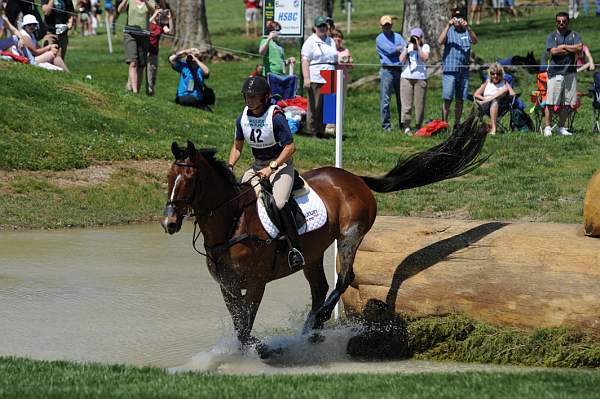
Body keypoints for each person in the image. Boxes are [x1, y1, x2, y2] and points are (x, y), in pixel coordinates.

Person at [227, 76, 305, 269]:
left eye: (254, 96)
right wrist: (229, 166)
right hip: (256, 166)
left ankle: (295, 249)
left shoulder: (276, 117)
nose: (250, 99)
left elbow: (290, 147)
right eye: (247, 96)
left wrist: (272, 168)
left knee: (279, 203)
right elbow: (237, 147)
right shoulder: (242, 118)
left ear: (264, 97)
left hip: (280, 166)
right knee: (238, 198)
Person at [543, 12, 582, 137]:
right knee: (550, 101)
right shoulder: (551, 36)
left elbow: (580, 48)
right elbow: (553, 51)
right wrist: (571, 49)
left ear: (568, 22)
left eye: (564, 21)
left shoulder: (574, 35)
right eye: (559, 21)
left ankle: (561, 127)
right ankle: (547, 128)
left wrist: (564, 46)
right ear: (556, 22)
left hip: (570, 73)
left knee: (567, 102)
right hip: (555, 73)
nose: (561, 23)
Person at [438, 8, 478, 127]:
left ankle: (457, 124)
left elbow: (475, 41)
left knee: (460, 99)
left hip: (464, 71)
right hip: (450, 70)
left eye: (460, 17)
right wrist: (447, 26)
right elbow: (440, 41)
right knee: (447, 98)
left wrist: (468, 28)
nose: (457, 20)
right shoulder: (449, 31)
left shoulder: (467, 31)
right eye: (455, 17)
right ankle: (444, 123)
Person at [301, 15, 338, 138]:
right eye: (320, 26)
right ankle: (312, 130)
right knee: (315, 105)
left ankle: (323, 131)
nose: (322, 28)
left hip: (330, 74)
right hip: (316, 75)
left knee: (328, 105)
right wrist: (306, 78)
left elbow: (334, 57)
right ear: (315, 28)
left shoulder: (331, 41)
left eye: (324, 26)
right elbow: (305, 60)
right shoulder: (310, 41)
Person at [375, 15, 405, 132]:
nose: (387, 27)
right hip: (387, 71)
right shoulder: (379, 39)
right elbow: (389, 51)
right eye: (384, 25)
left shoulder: (398, 36)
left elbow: (405, 48)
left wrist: (400, 49)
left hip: (399, 70)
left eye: (389, 25)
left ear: (392, 25)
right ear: (381, 26)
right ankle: (386, 126)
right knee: (385, 100)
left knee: (401, 98)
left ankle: (403, 124)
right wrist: (398, 49)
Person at [118, 0, 155, 94]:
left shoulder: (150, 1)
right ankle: (134, 91)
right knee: (133, 62)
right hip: (130, 34)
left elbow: (153, 11)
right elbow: (120, 10)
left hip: (144, 36)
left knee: (141, 65)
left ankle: (137, 92)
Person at [399, 27, 430, 135]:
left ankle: (418, 126)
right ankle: (406, 126)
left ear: (421, 38)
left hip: (420, 78)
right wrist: (407, 48)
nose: (415, 40)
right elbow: (401, 60)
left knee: (419, 104)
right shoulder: (408, 46)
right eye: (413, 37)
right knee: (406, 104)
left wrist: (418, 47)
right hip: (406, 77)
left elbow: (425, 58)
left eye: (417, 38)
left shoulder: (425, 46)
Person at [474, 63, 516, 135]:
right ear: (490, 74)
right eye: (493, 74)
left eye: (498, 74)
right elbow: (476, 94)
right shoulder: (487, 82)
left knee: (499, 96)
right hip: (486, 106)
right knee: (494, 100)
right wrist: (484, 99)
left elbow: (513, 94)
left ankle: (494, 129)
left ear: (501, 74)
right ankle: (492, 127)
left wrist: (505, 92)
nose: (495, 76)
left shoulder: (504, 82)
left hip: (500, 106)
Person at [146, 5, 172, 96]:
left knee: (152, 72)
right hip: (145, 50)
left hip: (154, 52)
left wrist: (169, 18)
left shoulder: (161, 24)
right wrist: (155, 13)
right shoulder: (148, 21)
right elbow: (148, 23)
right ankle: (132, 89)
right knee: (141, 70)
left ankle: (150, 92)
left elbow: (169, 31)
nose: (158, 15)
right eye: (157, 13)